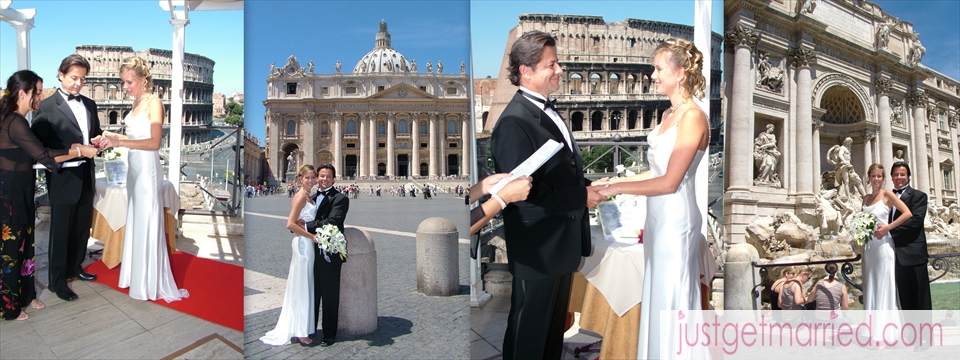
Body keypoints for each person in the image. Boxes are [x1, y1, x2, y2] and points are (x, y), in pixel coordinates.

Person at [490, 30, 604, 360]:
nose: (560, 70)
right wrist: (580, 198)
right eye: (551, 64)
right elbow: (525, 192)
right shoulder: (514, 121)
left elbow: (556, 172)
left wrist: (586, 186)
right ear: (526, 70)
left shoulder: (542, 112)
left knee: (551, 335)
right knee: (529, 337)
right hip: (538, 249)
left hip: (557, 245)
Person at [592, 38, 709, 358]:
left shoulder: (693, 117)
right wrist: (615, 181)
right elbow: (656, 169)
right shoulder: (670, 114)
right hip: (659, 220)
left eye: (658, 69)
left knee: (672, 295)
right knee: (657, 293)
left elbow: (670, 182)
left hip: (676, 220)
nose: (652, 76)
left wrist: (616, 190)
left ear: (680, 73)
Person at [1, 70, 97, 320]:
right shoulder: (15, 121)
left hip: (21, 190)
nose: (40, 96)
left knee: (24, 245)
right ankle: (9, 308)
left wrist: (75, 148)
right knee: (10, 250)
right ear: (22, 93)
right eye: (37, 91)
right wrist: (78, 152)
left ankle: (25, 296)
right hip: (9, 195)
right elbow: (43, 155)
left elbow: (41, 151)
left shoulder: (15, 118)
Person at [100, 56, 188, 302]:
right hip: (133, 169)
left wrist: (120, 142)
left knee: (147, 220)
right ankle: (134, 275)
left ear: (142, 79)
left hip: (147, 169)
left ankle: (148, 282)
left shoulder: (154, 103)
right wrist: (111, 135)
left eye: (128, 82)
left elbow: (154, 143)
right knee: (136, 219)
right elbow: (134, 134)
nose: (125, 87)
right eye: (124, 82)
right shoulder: (136, 101)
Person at [31, 54, 104, 302]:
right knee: (61, 231)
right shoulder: (45, 107)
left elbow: (93, 134)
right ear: (61, 75)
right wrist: (73, 151)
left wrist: (99, 140)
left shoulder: (90, 104)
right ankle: (57, 282)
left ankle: (75, 268)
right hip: (62, 177)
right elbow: (39, 149)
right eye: (74, 78)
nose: (78, 84)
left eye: (82, 79)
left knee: (82, 227)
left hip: (87, 174)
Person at [260, 165, 319, 346]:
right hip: (303, 244)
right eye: (307, 178)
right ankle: (301, 332)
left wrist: (306, 227)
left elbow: (300, 220)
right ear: (300, 178)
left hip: (306, 244)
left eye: (312, 177)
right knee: (302, 285)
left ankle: (301, 325)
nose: (310, 181)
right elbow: (290, 224)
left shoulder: (308, 195)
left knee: (304, 284)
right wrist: (312, 237)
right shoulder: (301, 196)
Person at [861, 163, 912, 343]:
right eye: (873, 176)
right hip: (868, 248)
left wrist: (888, 228)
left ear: (883, 178)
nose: (876, 179)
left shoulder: (888, 194)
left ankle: (885, 334)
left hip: (883, 245)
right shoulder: (865, 198)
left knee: (883, 286)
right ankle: (872, 331)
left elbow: (907, 213)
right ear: (868, 177)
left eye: (879, 176)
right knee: (871, 286)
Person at [303, 164, 349, 347]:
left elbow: (333, 221)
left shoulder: (341, 198)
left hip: (330, 253)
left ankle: (329, 334)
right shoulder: (313, 198)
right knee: (312, 294)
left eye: (327, 176)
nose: (323, 179)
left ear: (333, 178)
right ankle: (310, 329)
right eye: (321, 176)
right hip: (311, 253)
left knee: (330, 296)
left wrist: (305, 226)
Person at [888, 161, 932, 350]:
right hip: (893, 255)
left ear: (908, 176)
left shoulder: (919, 196)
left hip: (913, 254)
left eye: (902, 175)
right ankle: (912, 336)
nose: (899, 178)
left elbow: (915, 222)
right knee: (905, 299)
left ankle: (926, 339)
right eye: (896, 175)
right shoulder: (888, 197)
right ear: (892, 177)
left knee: (920, 299)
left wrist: (888, 232)